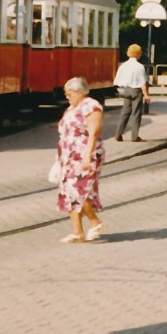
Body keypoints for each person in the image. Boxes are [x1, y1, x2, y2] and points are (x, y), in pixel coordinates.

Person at [55, 77, 106, 243]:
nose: (66, 96)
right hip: (69, 156)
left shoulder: (91, 106)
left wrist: (87, 156)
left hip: (85, 155)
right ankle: (77, 232)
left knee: (77, 190)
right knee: (68, 192)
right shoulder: (71, 108)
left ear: (78, 92)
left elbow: (93, 133)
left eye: (69, 93)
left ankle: (94, 221)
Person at [113, 43, 151, 142]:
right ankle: (134, 136)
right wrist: (146, 95)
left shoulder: (123, 66)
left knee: (125, 113)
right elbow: (142, 82)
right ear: (138, 54)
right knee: (136, 113)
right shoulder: (140, 67)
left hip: (126, 90)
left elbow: (116, 80)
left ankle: (118, 134)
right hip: (136, 91)